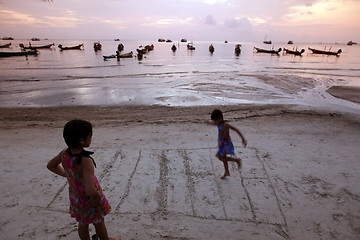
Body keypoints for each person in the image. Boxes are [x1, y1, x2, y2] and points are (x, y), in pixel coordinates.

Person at [47, 120, 120, 240]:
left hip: (76, 197)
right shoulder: (86, 160)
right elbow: (90, 189)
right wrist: (96, 197)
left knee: (83, 222)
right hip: (89, 199)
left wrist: (68, 175)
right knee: (99, 221)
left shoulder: (64, 153)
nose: (91, 138)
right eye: (90, 136)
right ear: (82, 140)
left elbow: (51, 166)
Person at [211, 109, 247, 179]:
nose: (215, 122)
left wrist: (243, 139)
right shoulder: (219, 124)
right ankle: (227, 171)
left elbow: (236, 130)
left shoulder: (225, 125)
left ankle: (236, 160)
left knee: (221, 157)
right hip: (222, 143)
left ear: (220, 119)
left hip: (226, 144)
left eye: (215, 121)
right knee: (222, 158)